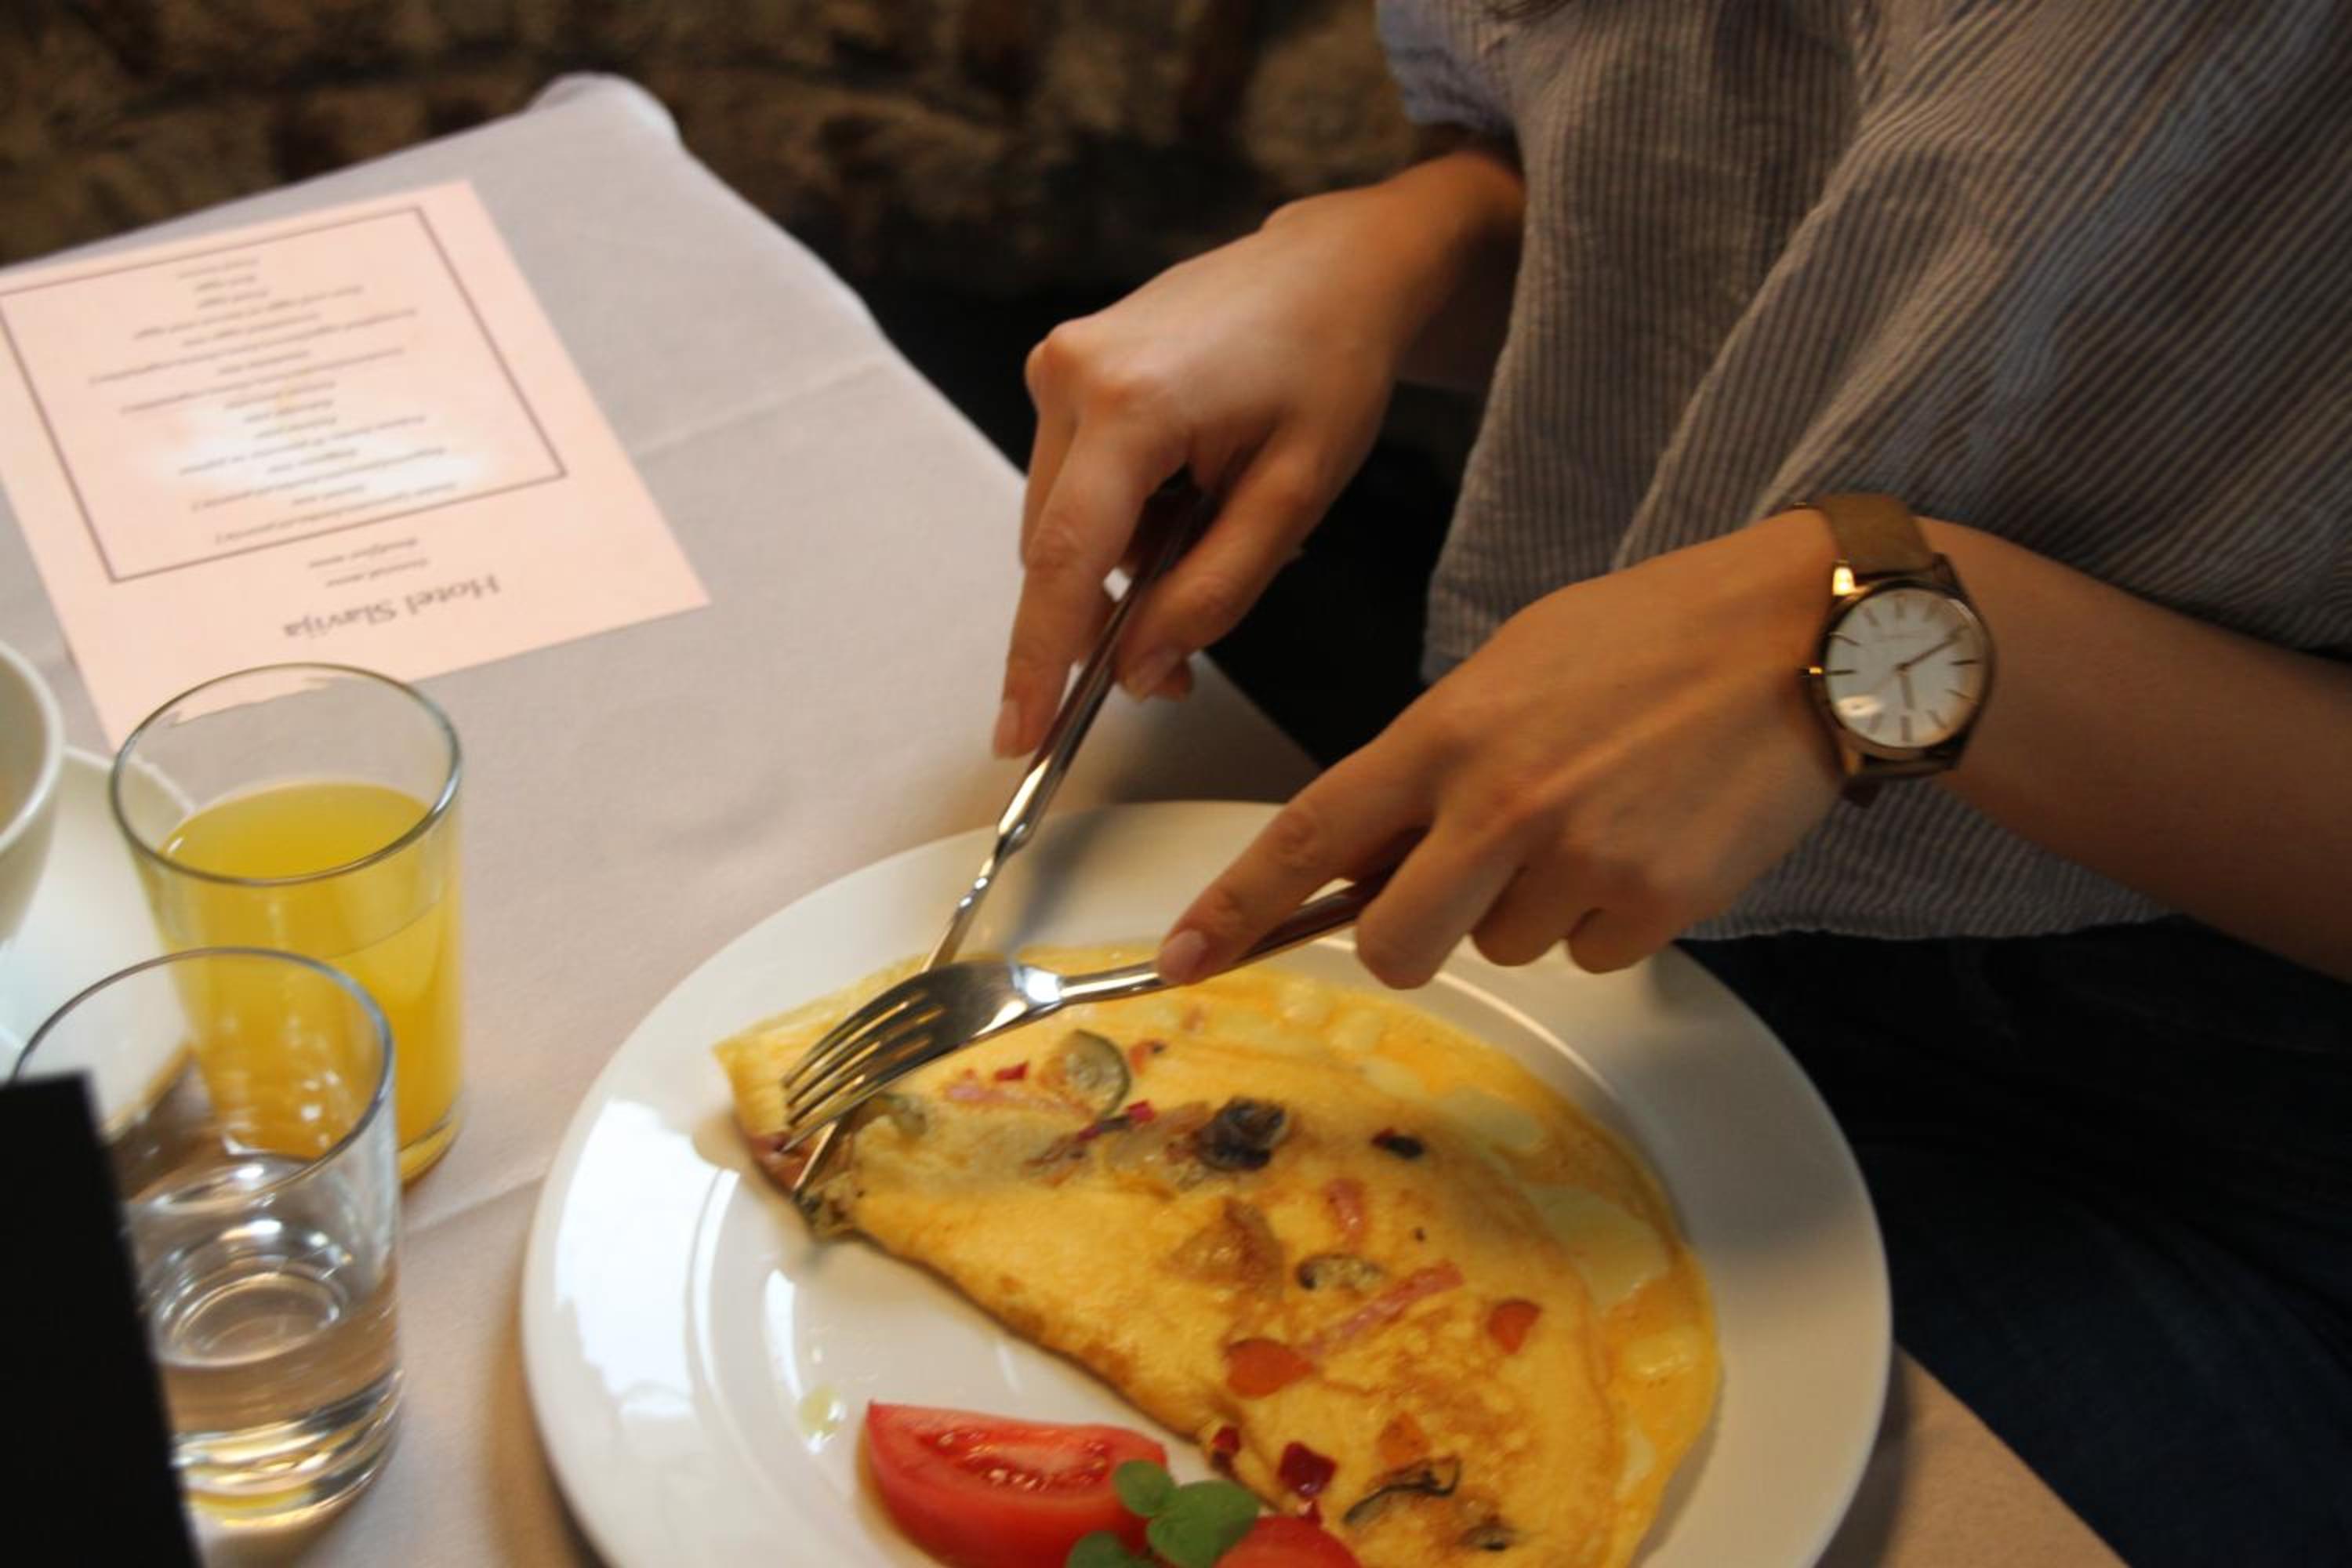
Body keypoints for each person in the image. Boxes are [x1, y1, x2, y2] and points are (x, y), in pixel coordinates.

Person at [990, 4, 2352, 1564]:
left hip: (2184, 1127)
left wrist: (1885, 637)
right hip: (1628, 840)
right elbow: (1837, 224)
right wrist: (1416, 238)